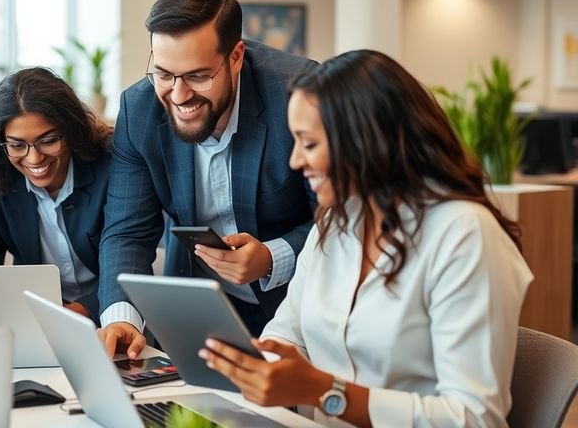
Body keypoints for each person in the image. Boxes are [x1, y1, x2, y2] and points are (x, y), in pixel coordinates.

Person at [199, 49, 533, 427]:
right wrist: (260, 365)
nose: (295, 161)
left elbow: (474, 418)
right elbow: (287, 333)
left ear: (365, 141)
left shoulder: (464, 235)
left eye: (309, 144)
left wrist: (322, 391)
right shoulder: (334, 223)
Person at [98, 0, 317, 358]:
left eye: (198, 76)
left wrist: (272, 256)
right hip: (199, 307)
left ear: (235, 57)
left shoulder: (299, 96)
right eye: (165, 74)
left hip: (296, 308)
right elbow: (126, 231)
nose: (179, 95)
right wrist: (123, 318)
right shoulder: (138, 111)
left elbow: (341, 219)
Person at [0, 67, 113, 321]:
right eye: (17, 145)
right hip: (35, 319)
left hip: (111, 315)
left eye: (48, 140)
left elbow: (126, 254)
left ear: (71, 130)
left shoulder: (110, 160)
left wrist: (75, 313)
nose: (34, 158)